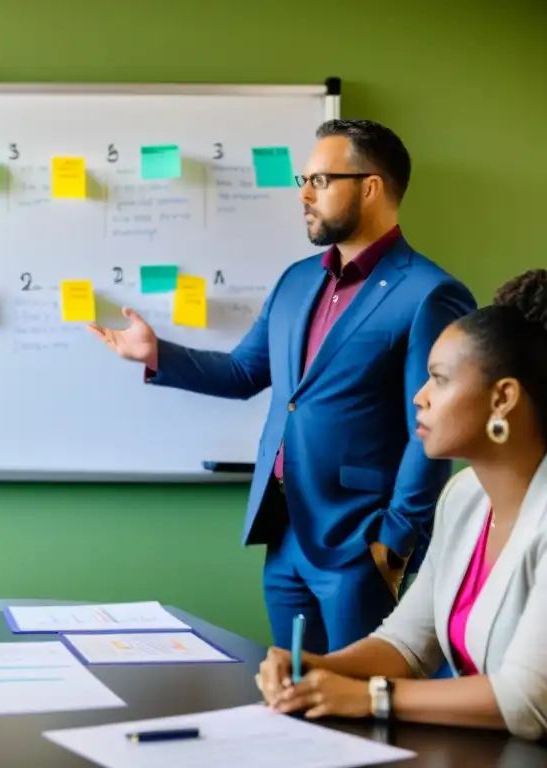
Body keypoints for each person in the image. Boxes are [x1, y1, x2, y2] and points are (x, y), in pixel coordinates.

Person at [90, 119, 478, 653]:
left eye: (320, 180)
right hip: (283, 530)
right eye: (305, 179)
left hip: (360, 541)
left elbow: (432, 428)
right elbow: (246, 373)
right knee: (298, 697)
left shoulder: (429, 293)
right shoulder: (297, 279)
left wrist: (394, 542)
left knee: (361, 716)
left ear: (370, 187)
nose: (304, 194)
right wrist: (158, 355)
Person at [255, 269, 547, 741]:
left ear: (503, 398)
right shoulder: (464, 496)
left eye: (439, 379)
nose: (420, 397)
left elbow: (527, 700)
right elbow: (409, 644)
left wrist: (370, 697)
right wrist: (318, 668)